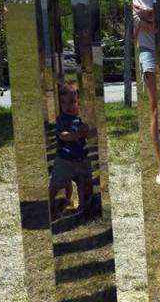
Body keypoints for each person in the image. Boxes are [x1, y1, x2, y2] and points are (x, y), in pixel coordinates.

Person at [132, 0, 160, 171]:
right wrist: (144, 18)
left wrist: (147, 17)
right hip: (148, 50)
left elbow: (158, 17)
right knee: (154, 107)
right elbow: (137, 20)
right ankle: (158, 162)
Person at [49, 81, 95, 220]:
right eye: (64, 103)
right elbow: (62, 135)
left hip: (81, 158)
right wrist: (74, 135)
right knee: (57, 184)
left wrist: (87, 131)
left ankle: (83, 206)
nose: (68, 106)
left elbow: (88, 133)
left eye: (72, 102)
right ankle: (50, 204)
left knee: (83, 183)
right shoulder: (61, 119)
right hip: (65, 160)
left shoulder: (80, 118)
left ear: (78, 102)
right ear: (60, 105)